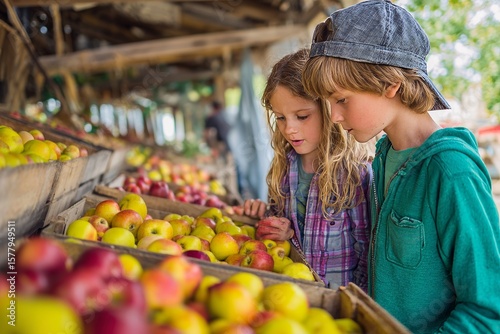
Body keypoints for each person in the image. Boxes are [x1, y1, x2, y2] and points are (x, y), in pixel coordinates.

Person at [301, 1, 500, 333]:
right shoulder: (384, 156)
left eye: (342, 100)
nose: (334, 117)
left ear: (389, 84)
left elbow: (488, 308)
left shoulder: (451, 171)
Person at [243, 48, 372, 290]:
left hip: (336, 302)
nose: (289, 129)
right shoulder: (283, 166)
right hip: (291, 293)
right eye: (280, 117)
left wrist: (355, 304)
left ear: (328, 110)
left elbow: (366, 252)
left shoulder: (354, 174)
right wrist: (271, 224)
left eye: (302, 116)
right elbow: (281, 225)